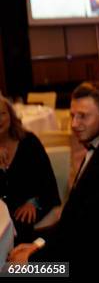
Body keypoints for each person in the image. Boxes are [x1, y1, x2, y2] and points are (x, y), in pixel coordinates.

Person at [9, 82, 99, 282]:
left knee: (9, 272)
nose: (74, 124)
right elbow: (76, 223)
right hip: (81, 254)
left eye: (83, 116)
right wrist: (38, 243)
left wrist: (33, 260)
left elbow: (84, 237)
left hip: (91, 269)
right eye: (72, 115)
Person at [0, 96, 60, 244]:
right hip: (2, 210)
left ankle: (24, 264)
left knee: (20, 222)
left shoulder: (29, 142)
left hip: (29, 204)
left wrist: (33, 202)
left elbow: (48, 182)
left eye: (2, 113)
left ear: (11, 116)